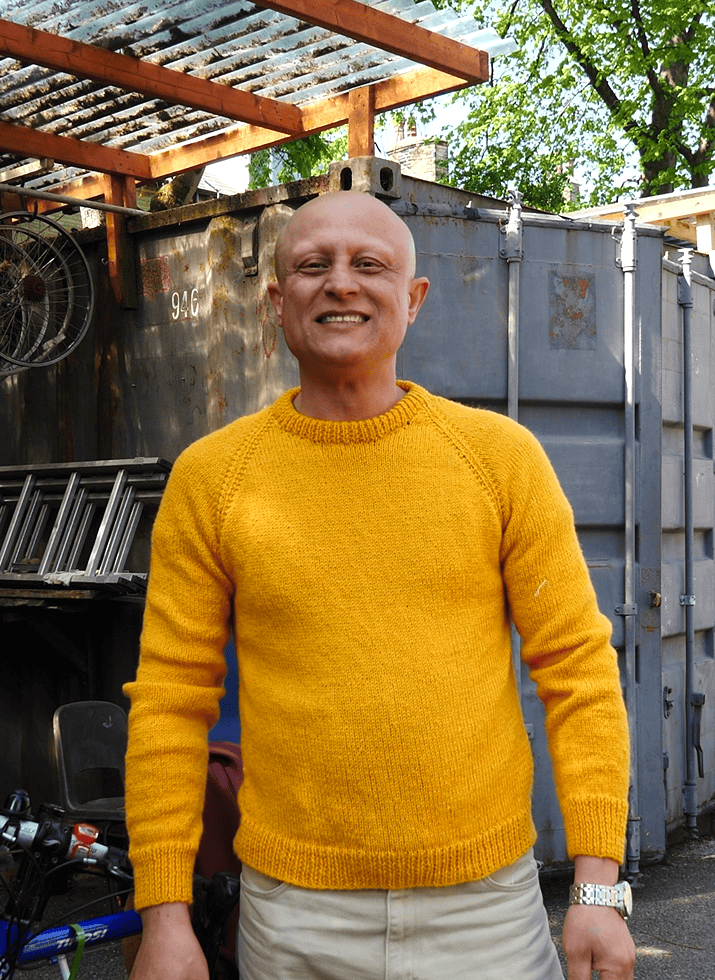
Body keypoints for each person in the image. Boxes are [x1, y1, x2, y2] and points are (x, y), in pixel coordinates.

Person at [124, 190, 636, 980]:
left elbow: (578, 672)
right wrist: (164, 917)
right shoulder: (213, 478)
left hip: (485, 913)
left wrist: (598, 891)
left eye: (370, 265)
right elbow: (168, 702)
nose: (341, 284)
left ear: (413, 299)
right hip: (292, 916)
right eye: (311, 266)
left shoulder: (498, 459)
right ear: (274, 299)